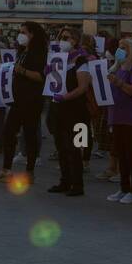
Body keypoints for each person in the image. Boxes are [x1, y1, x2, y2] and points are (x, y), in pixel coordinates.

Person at [0, 21, 47, 186]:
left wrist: (22, 71)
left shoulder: (40, 53)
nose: (20, 35)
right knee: (8, 132)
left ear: (32, 34)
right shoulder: (23, 51)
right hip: (17, 99)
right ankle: (6, 169)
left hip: (31, 100)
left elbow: (40, 76)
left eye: (23, 32)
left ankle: (29, 171)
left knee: (30, 135)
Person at [46, 25, 93, 197]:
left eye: (67, 38)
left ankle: (77, 184)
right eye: (61, 37)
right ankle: (64, 181)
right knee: (61, 146)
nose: (63, 40)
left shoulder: (81, 60)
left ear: (75, 41)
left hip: (77, 110)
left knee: (75, 148)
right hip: (59, 110)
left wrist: (65, 97)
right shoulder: (57, 59)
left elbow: (83, 87)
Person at [105, 37, 132, 204]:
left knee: (131, 154)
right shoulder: (116, 68)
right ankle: (123, 188)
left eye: (124, 48)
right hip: (117, 116)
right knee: (121, 154)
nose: (120, 50)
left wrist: (119, 83)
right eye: (119, 47)